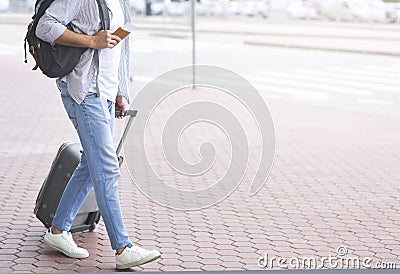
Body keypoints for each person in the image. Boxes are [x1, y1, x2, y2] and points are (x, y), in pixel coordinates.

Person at [35, 0, 161, 269]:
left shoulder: (122, 2)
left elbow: (122, 46)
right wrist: (92, 41)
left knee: (91, 166)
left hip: (105, 92)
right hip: (85, 90)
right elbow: (44, 27)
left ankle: (58, 231)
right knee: (106, 167)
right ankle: (122, 247)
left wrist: (121, 91)